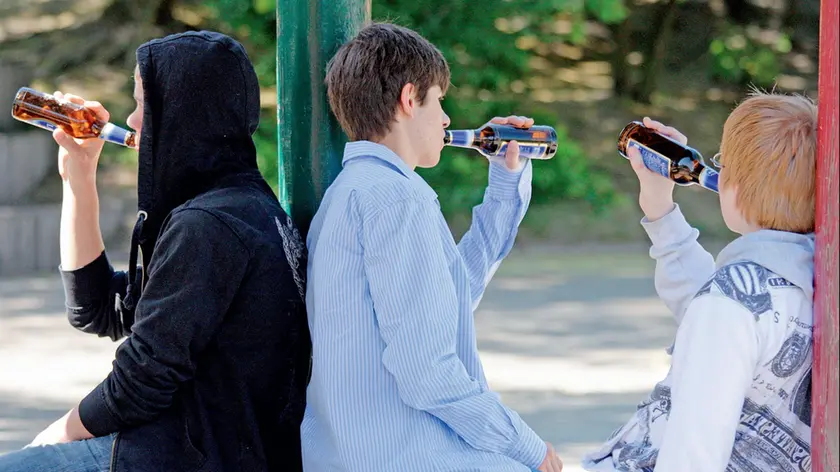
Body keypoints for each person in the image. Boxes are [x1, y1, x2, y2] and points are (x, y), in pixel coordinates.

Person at [0, 30, 311, 472]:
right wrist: (79, 174)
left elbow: (141, 382)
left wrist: (55, 436)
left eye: (144, 103)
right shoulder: (237, 206)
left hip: (187, 455)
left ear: (187, 111)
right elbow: (98, 310)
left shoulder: (212, 224)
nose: (132, 121)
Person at [301, 22, 563, 472]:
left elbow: (453, 295)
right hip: (409, 456)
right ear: (408, 99)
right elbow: (428, 373)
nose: (445, 119)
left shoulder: (349, 193)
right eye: (439, 100)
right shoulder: (398, 198)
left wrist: (505, 179)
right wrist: (527, 447)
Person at [583, 92, 816, 471]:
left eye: (724, 163)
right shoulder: (808, 279)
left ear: (733, 186)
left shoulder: (729, 302)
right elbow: (706, 303)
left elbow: (694, 453)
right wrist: (660, 208)